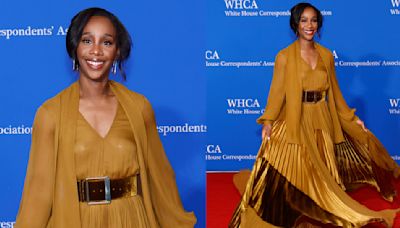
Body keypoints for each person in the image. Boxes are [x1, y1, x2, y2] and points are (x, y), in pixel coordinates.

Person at [15, 7, 196, 228]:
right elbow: (38, 192)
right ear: (74, 47)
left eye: (107, 42)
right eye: (87, 41)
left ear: (118, 51)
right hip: (77, 220)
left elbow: (160, 179)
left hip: (131, 218)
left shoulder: (139, 108)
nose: (96, 51)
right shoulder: (51, 114)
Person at [229, 2, 400, 228]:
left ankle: (321, 207)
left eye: (313, 20)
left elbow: (335, 93)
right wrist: (268, 121)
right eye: (304, 20)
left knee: (321, 171)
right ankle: (294, 208)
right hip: (294, 119)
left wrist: (351, 118)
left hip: (320, 118)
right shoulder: (284, 57)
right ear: (296, 24)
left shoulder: (327, 56)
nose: (309, 25)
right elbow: (277, 92)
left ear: (319, 24)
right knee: (294, 166)